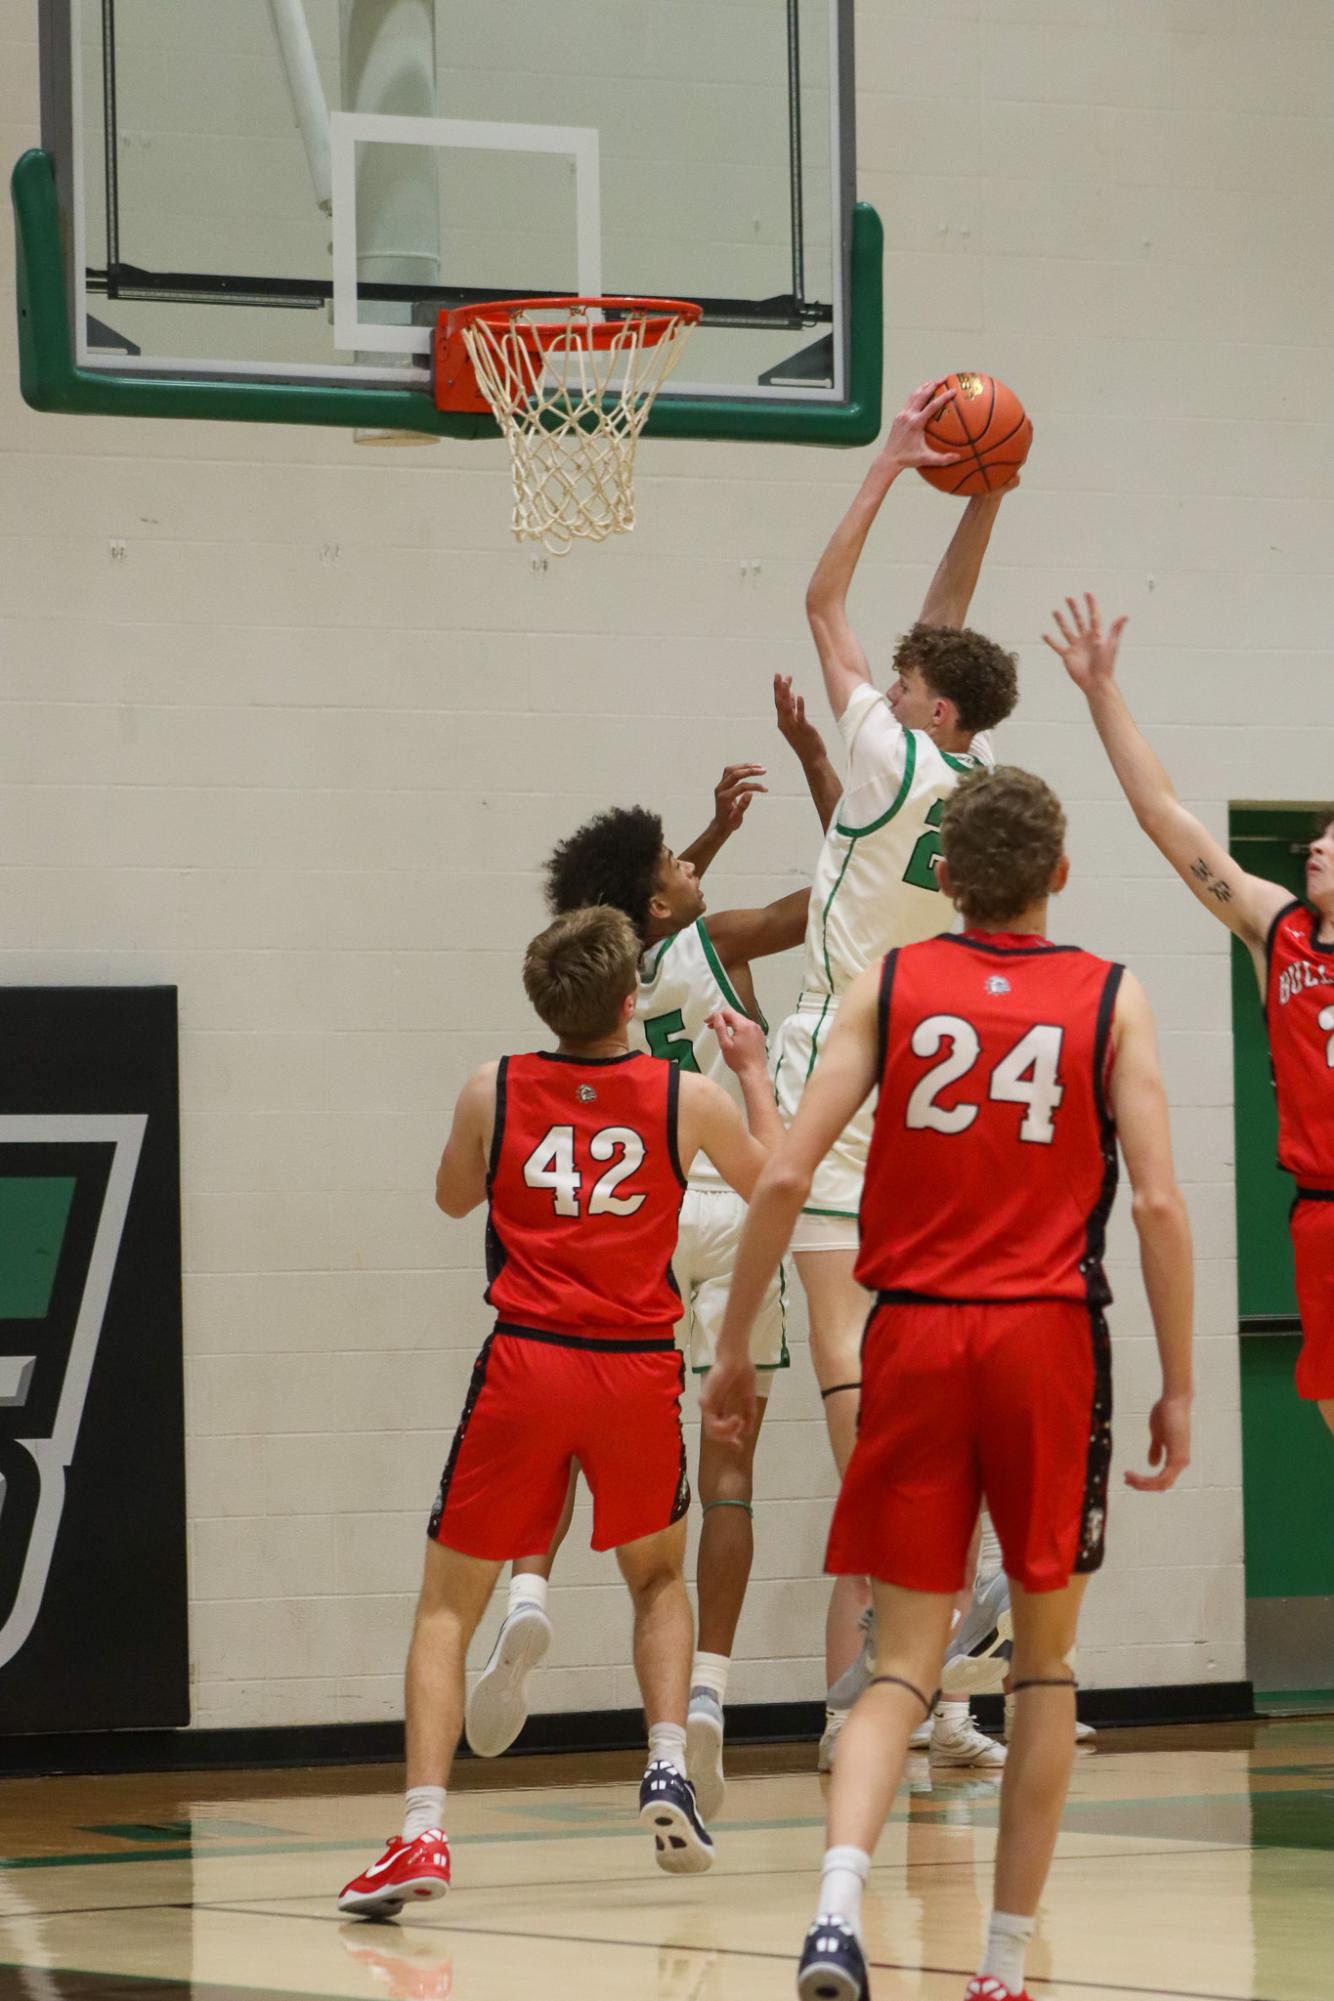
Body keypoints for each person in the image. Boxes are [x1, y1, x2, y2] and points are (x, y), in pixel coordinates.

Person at [702, 765, 1194, 2001]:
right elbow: (1154, 1201)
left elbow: (777, 1179)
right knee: (1039, 1670)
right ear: (1058, 876)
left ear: (947, 882)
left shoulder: (891, 981)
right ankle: (1000, 1966)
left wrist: (723, 1351)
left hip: (910, 1340)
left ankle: (831, 1909)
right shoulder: (1110, 998)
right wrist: (1178, 1382)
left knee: (897, 1670)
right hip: (1043, 1341)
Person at [338, 904, 780, 1917]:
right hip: (633, 1368)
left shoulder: (492, 1087)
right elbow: (774, 1187)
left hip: (527, 1363)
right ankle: (667, 1766)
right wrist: (753, 1075)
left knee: (449, 1606)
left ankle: (420, 1834)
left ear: (543, 1000)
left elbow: (453, 1198)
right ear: (632, 1001)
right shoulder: (687, 1099)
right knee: (659, 1577)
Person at [463, 697, 841, 1824]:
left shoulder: (610, 977)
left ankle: (528, 1588)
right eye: (679, 857)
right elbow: (824, 897)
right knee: (726, 1469)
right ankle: (710, 1697)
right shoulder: (715, 942)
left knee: (579, 1414)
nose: (691, 856)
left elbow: (646, 905)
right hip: (734, 1199)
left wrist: (703, 846)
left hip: (642, 1211)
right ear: (658, 900)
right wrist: (824, 767)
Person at [782, 380, 1021, 1768]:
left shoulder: (878, 751)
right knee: (922, 1341)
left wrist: (885, 467)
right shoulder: (993, 778)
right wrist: (981, 493)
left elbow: (824, 602)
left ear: (919, 702)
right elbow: (945, 636)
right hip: (940, 1075)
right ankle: (956, 1569)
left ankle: (930, 1551)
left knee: (837, 1347)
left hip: (838, 1058)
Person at [1047, 592, 1334, 1435]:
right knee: (1323, 1398)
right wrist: (1102, 693)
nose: (1315, 845)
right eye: (1313, 833)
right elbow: (1163, 818)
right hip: (1317, 1208)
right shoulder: (1276, 929)